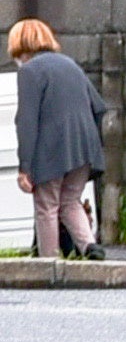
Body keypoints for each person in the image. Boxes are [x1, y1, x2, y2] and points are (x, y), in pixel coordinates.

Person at [9, 19, 103, 261]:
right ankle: (90, 247)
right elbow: (99, 106)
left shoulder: (29, 71)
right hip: (85, 148)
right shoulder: (71, 65)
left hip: (51, 150)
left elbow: (27, 121)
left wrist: (25, 168)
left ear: (19, 44)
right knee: (70, 201)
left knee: (47, 207)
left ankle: (49, 262)